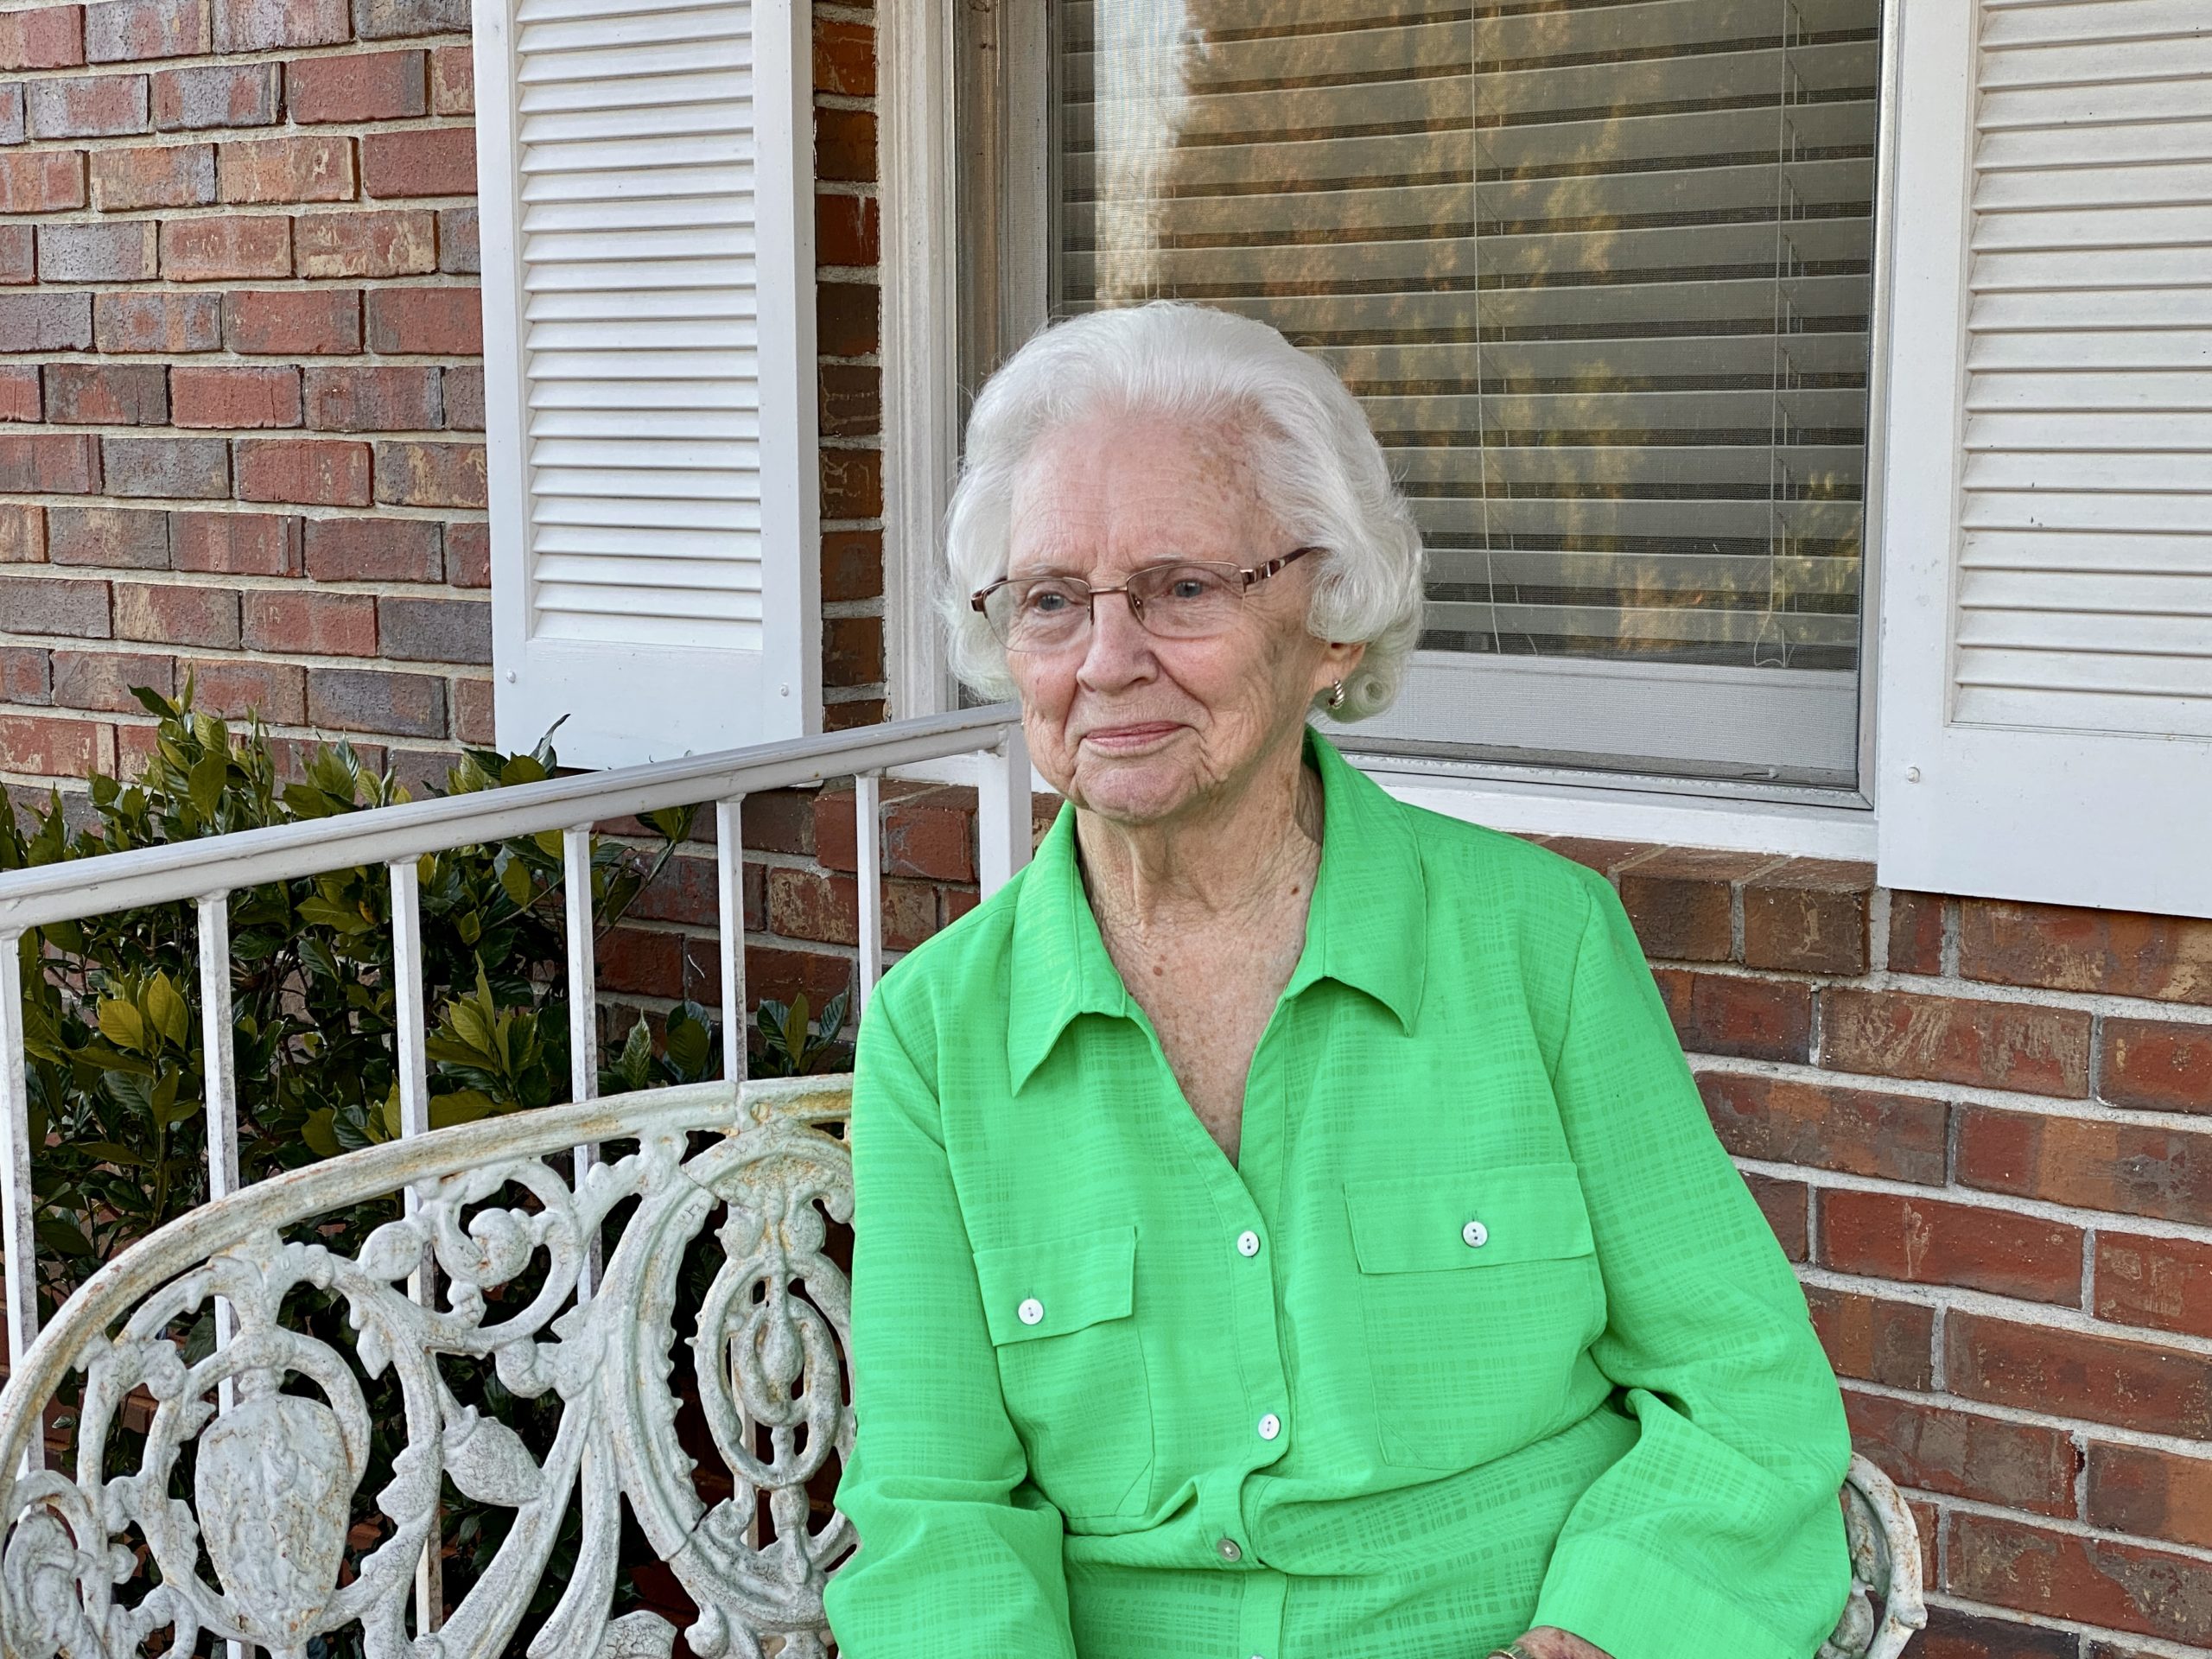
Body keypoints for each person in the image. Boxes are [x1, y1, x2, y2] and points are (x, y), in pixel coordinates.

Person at [820, 300, 1854, 1659]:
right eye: (1053, 603)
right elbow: (938, 1525)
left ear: (1335, 622)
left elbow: (1744, 1399)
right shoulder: (936, 1035)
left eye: (1184, 588)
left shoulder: (1541, 946)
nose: (1106, 660)